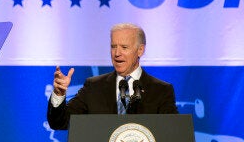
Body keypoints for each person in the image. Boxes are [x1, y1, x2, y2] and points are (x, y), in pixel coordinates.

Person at [47, 23, 178, 130]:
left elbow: (172, 134)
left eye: (124, 47)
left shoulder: (161, 91)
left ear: (140, 50)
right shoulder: (93, 87)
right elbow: (59, 123)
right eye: (113, 46)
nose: (117, 53)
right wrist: (59, 94)